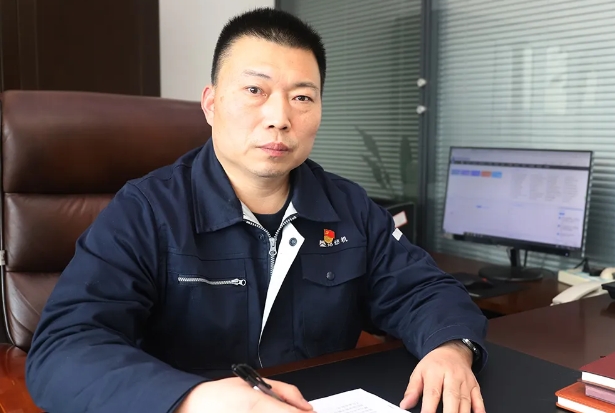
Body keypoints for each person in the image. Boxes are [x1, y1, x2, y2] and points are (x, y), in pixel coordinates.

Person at [25, 7, 488, 413]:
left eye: (302, 97)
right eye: (254, 90)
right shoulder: (146, 211)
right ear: (211, 104)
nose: (279, 118)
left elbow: (424, 289)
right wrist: (194, 399)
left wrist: (450, 348)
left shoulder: (348, 207)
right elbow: (64, 350)